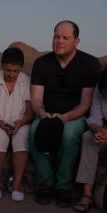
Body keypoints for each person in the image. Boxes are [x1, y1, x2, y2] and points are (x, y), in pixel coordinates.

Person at [29, 20, 101, 208]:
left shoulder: (90, 64)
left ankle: (63, 186)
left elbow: (86, 103)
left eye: (65, 37)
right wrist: (42, 113)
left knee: (68, 136)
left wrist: (65, 118)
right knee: (36, 131)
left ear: (76, 41)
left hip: (74, 115)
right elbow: (36, 99)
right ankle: (45, 183)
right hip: (47, 113)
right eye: (56, 36)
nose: (59, 41)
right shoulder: (41, 63)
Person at [0, 47, 33, 201]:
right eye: (8, 70)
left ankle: (17, 184)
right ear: (2, 66)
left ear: (21, 68)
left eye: (15, 71)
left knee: (22, 135)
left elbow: (30, 113)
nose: (11, 74)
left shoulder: (26, 80)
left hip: (20, 122)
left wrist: (20, 122)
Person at [74, 68, 107, 213]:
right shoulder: (100, 90)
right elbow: (95, 117)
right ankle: (87, 194)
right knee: (88, 137)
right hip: (104, 129)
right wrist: (97, 130)